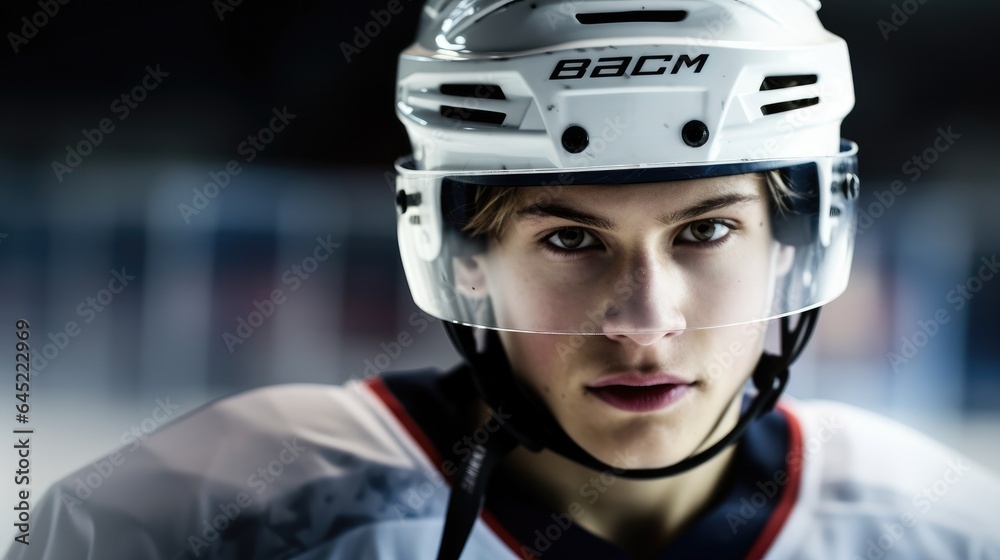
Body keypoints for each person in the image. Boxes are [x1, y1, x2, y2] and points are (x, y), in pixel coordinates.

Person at [7, 1, 1000, 559]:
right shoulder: (200, 517)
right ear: (462, 256)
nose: (642, 321)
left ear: (795, 240)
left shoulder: (945, 525)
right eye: (570, 241)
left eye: (703, 230)